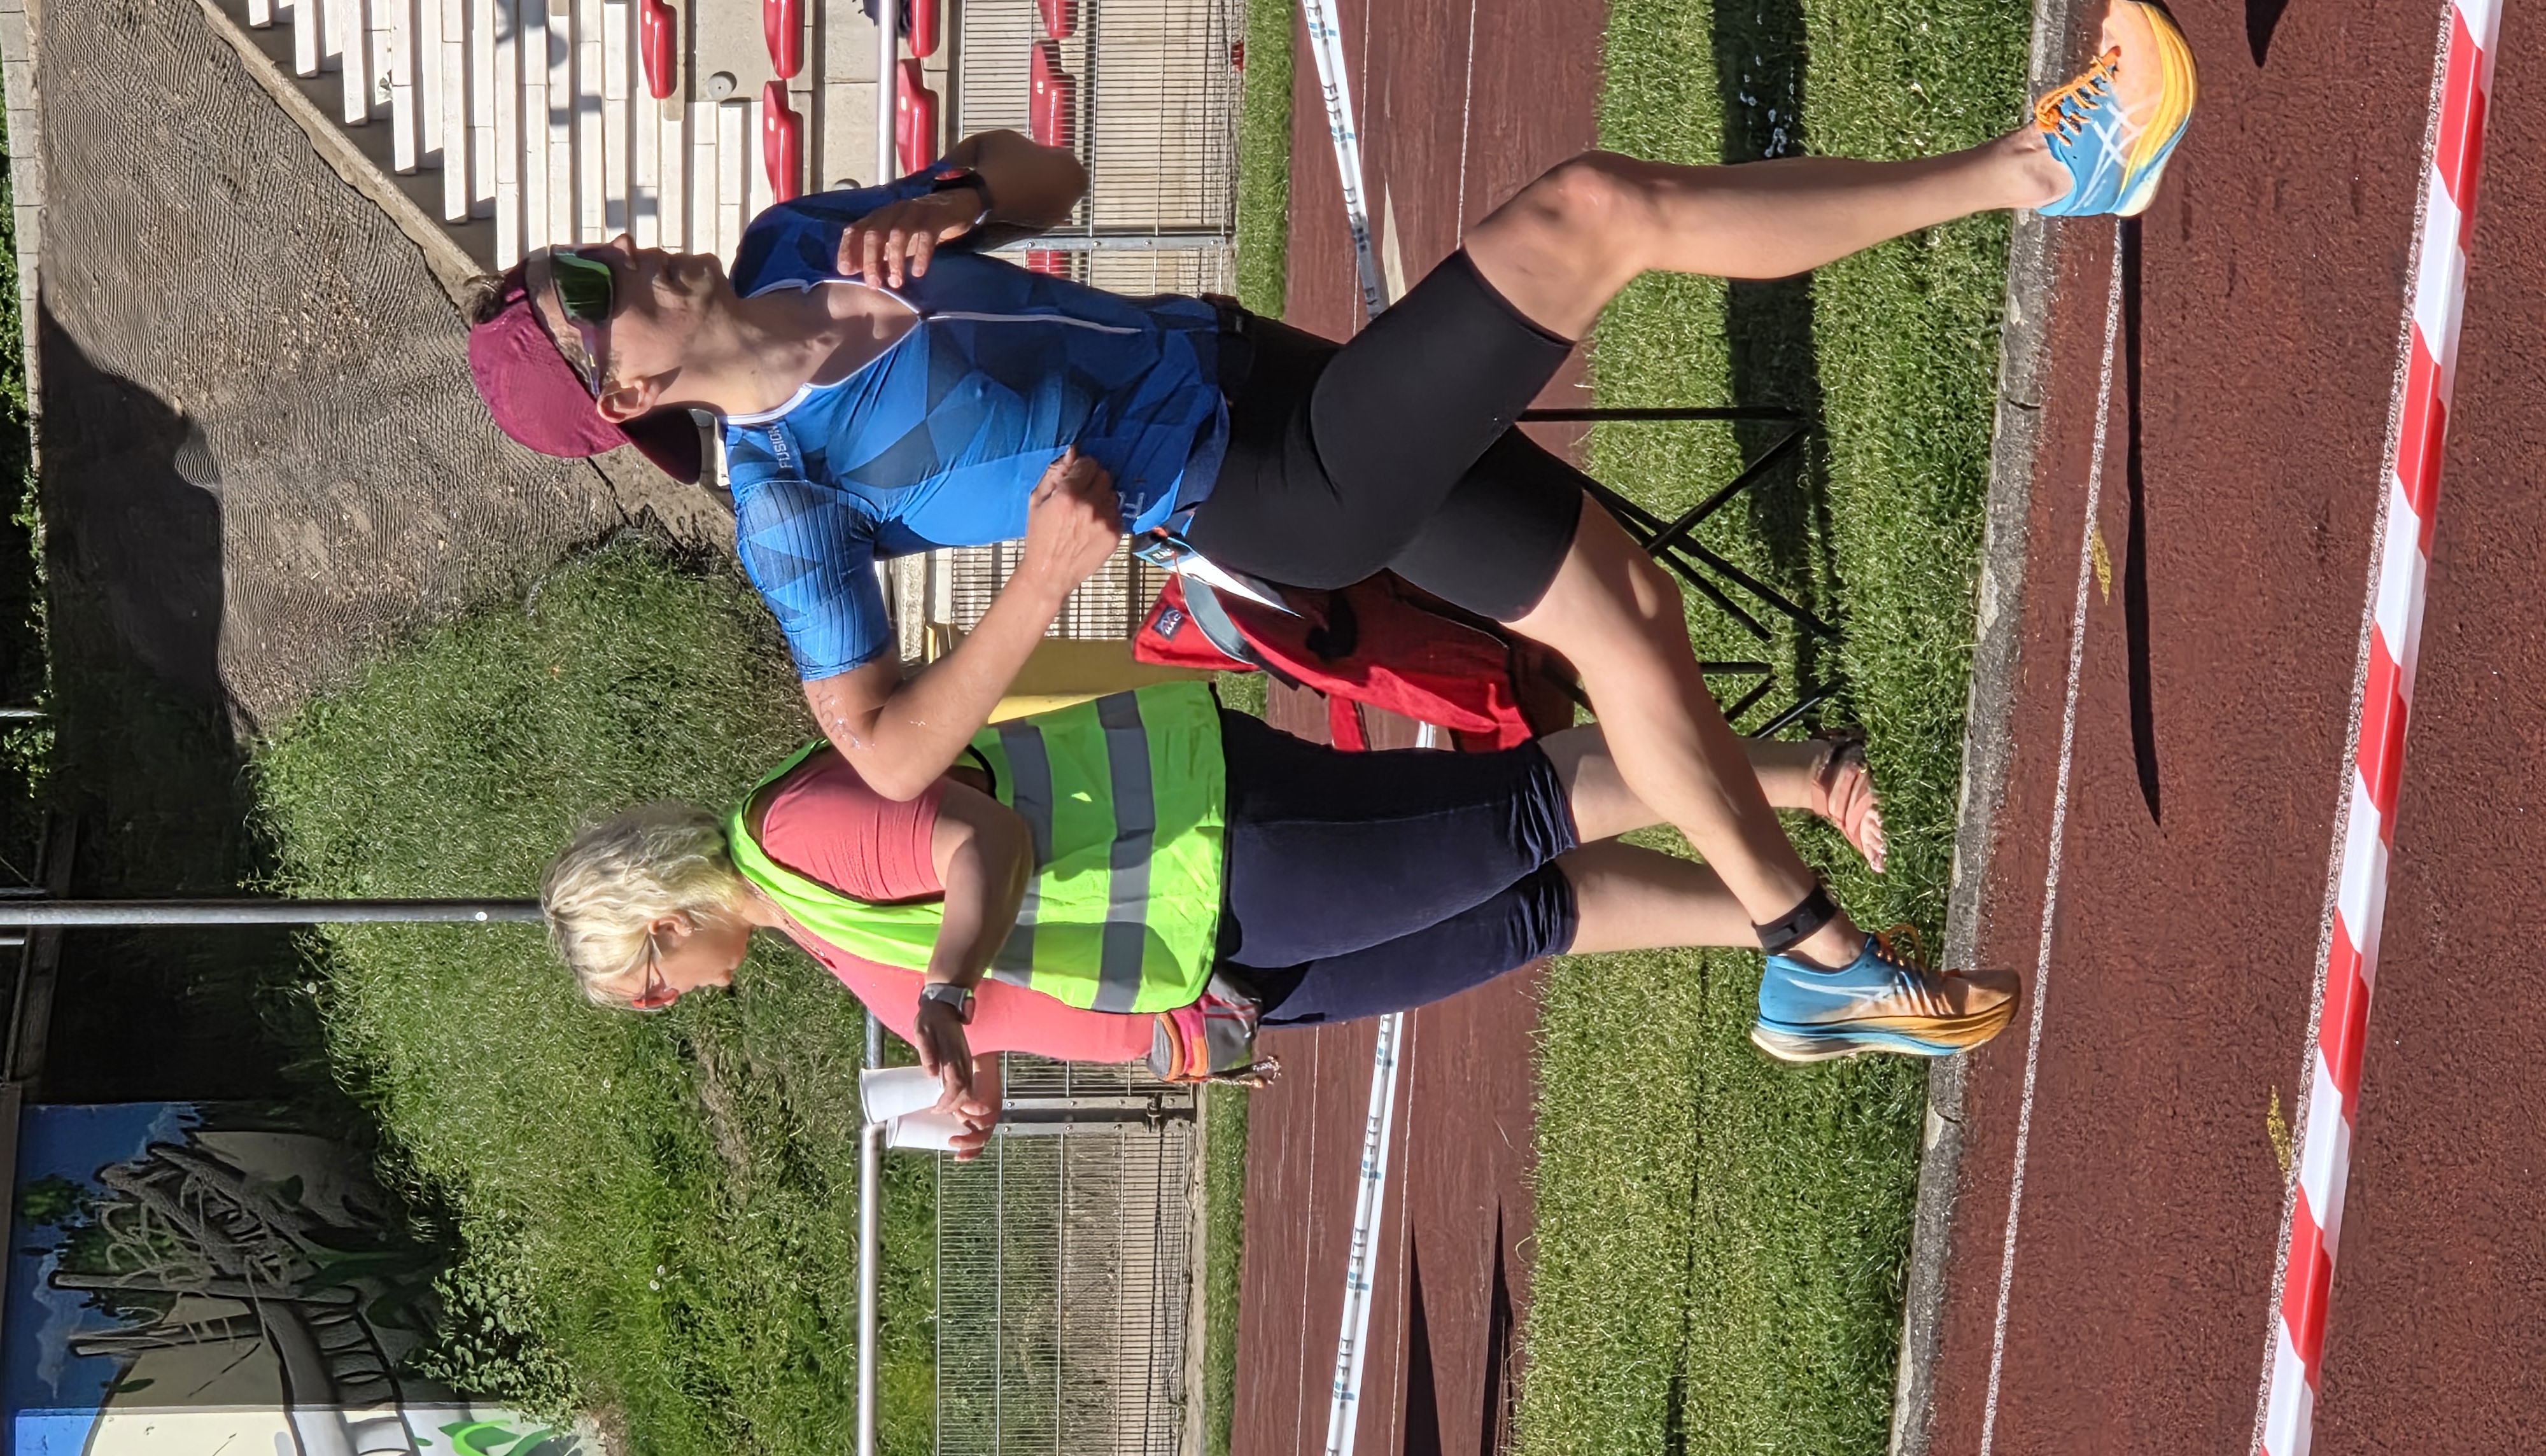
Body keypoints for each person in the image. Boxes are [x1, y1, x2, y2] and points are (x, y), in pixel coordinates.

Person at [474, 1, 2197, 1064]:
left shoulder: (795, 239)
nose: (624, 265)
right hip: (1268, 483)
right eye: (594, 298)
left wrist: (948, 200)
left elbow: (1051, 182)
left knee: (1625, 617)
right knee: (1589, 214)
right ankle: (2052, 168)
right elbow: (890, 750)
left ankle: (1811, 971)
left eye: (591, 260)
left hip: (1254, 367)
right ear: (623, 395)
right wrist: (1050, 583)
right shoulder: (787, 501)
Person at [539, 680, 2003, 1157]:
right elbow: (1007, 971)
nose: (674, 1005)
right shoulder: (795, 916)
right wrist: (975, 1077)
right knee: (1526, 914)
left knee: (1515, 813)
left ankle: (1805, 777)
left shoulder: (789, 831)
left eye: (648, 988)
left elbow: (981, 839)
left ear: (660, 926)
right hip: (1217, 969)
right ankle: (1778, 954)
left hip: (1218, 851)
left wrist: (943, 1002)